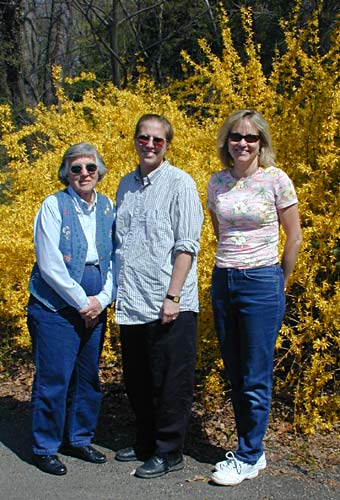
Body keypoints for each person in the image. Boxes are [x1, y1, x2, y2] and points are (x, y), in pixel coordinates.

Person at [207, 109, 302, 486]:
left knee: (255, 373)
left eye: (250, 138)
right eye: (236, 137)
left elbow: (292, 236)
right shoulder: (217, 183)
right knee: (234, 369)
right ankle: (254, 449)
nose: (242, 144)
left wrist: (281, 280)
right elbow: (220, 231)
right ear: (226, 142)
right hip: (224, 278)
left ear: (261, 143)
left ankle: (246, 456)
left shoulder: (276, 180)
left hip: (262, 281)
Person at [114, 113, 203, 479]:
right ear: (135, 140)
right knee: (138, 378)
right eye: (143, 138)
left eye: (158, 140)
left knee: (170, 380)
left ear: (167, 145)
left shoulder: (180, 183)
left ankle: (170, 451)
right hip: (132, 299)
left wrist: (173, 296)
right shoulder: (124, 185)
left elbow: (187, 246)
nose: (149, 145)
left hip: (169, 300)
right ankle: (146, 440)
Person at [27, 143, 116, 475]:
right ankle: (45, 446)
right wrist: (83, 302)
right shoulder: (53, 206)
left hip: (94, 305)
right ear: (66, 172)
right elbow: (49, 264)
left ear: (99, 172)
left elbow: (115, 260)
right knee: (54, 377)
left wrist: (102, 299)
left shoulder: (108, 208)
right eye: (76, 168)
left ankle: (78, 438)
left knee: (87, 377)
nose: (84, 174)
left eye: (90, 168)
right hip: (56, 307)